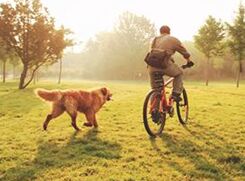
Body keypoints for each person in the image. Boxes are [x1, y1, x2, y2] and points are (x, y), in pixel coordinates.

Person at [147, 25, 192, 120]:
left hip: (151, 67)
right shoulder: (173, 39)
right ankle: (175, 94)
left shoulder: (153, 40)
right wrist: (188, 61)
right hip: (164, 65)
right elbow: (185, 53)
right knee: (179, 73)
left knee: (156, 90)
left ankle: (154, 112)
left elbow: (153, 53)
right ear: (169, 32)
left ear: (160, 32)